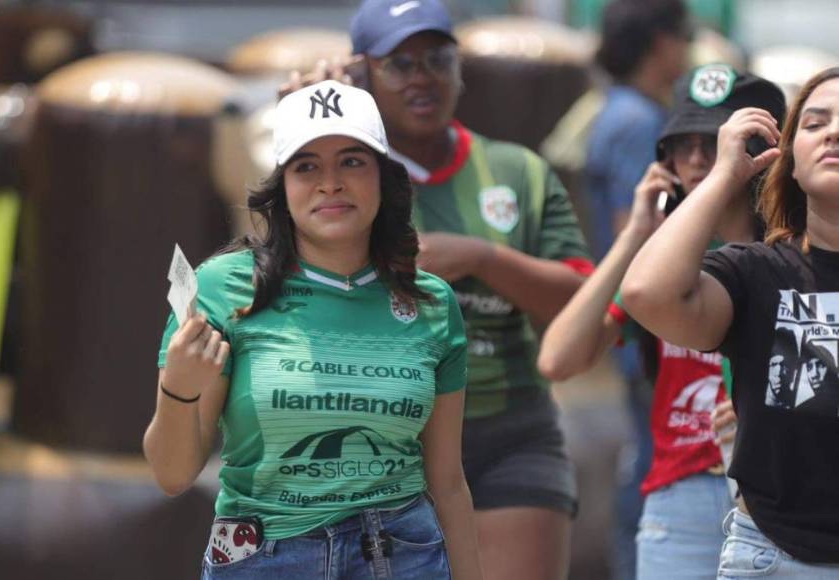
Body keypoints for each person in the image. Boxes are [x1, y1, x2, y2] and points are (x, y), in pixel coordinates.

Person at [279, 2, 595, 577]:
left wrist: (482, 258)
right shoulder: (336, 179)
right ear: (361, 73)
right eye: (399, 64)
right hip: (380, 432)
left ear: (460, 68)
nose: (421, 77)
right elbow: (281, 284)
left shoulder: (517, 171)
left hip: (508, 426)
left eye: (437, 59)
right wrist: (308, 131)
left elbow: (584, 305)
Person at [143, 79, 481, 579]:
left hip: (402, 556)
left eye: (352, 161)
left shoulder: (431, 301)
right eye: (306, 167)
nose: (330, 183)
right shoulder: (221, 289)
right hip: (262, 557)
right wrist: (179, 388)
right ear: (281, 186)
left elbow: (448, 482)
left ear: (383, 177)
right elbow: (172, 475)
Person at [538, 66, 788, 579]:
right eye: (681, 145)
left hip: (783, 491)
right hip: (682, 497)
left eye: (715, 142)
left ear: (764, 151)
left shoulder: (796, 258)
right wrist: (634, 236)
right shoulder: (661, 270)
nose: (697, 160)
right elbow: (559, 359)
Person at [621, 67, 839, 575]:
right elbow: (646, 294)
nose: (833, 134)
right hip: (773, 558)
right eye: (814, 124)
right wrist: (723, 175)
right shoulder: (757, 270)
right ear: (788, 160)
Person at [584, 4, 692, 576]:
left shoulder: (618, 110)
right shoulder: (639, 121)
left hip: (636, 322)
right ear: (660, 42)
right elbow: (638, 228)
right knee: (655, 465)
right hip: (650, 328)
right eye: (685, 35)